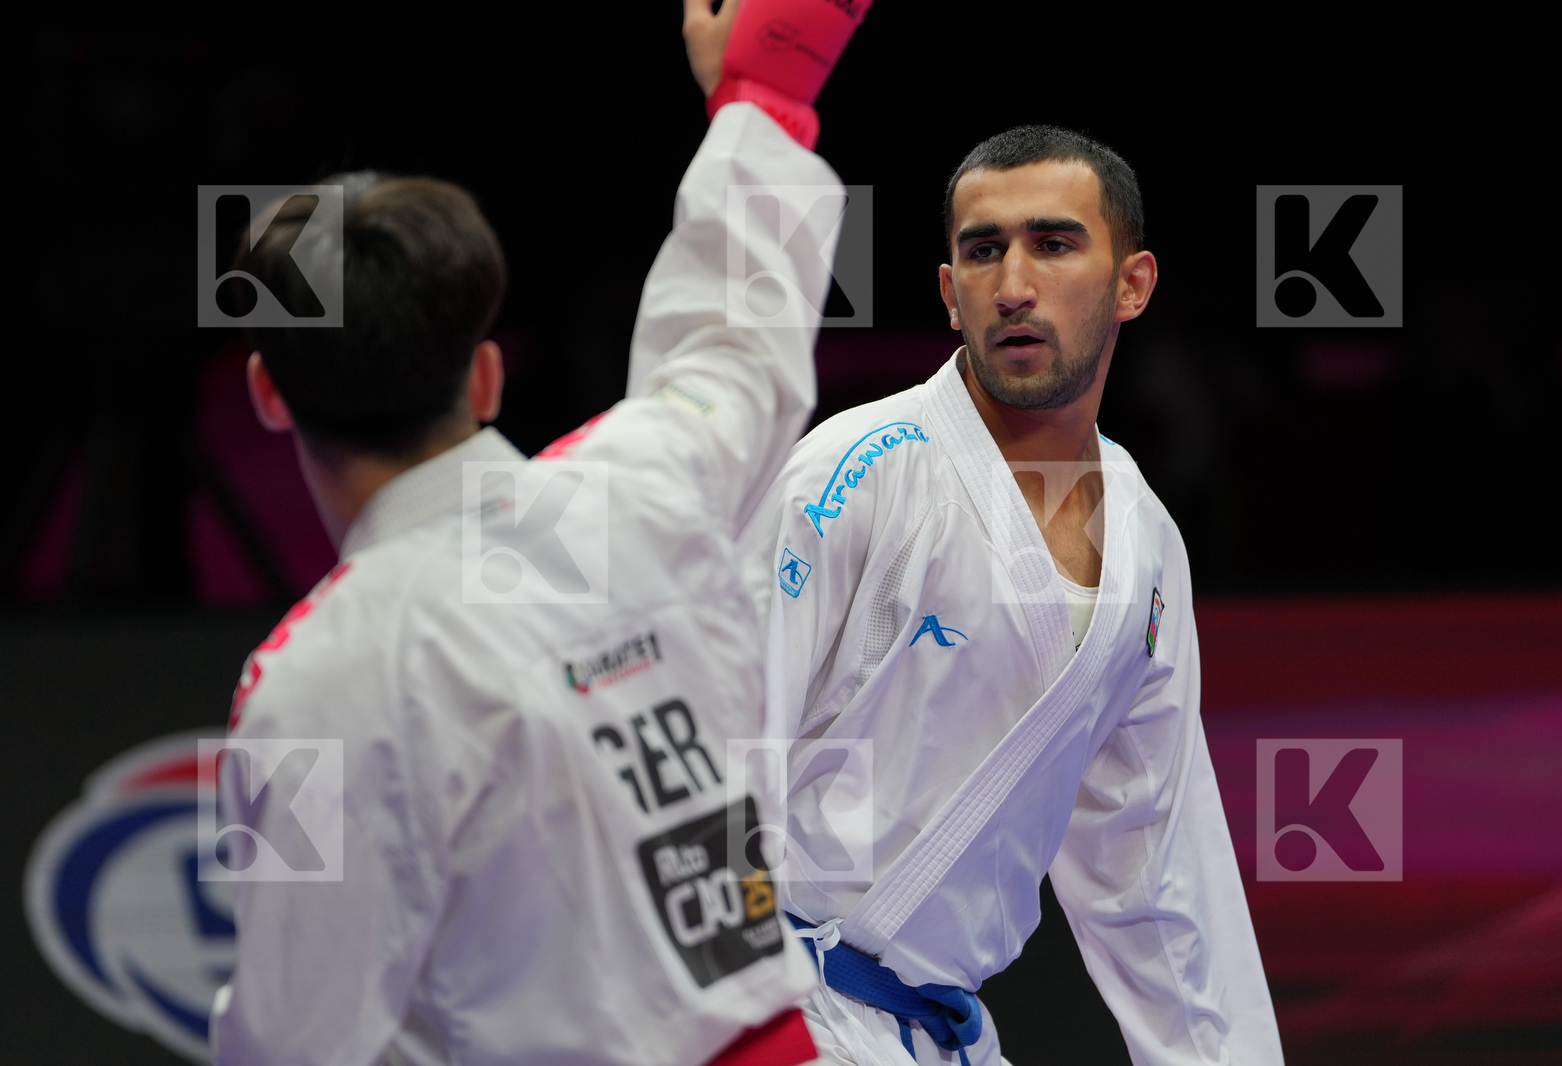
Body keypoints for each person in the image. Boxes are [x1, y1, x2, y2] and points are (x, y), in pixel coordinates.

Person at [210, 2, 871, 1062]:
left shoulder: (308, 681)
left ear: (268, 393)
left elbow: (294, 1034)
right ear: (485, 372)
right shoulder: (642, 488)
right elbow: (737, 345)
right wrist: (761, 102)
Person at [737, 126, 1284, 1065]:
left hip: (940, 1030)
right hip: (786, 1010)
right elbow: (715, 758)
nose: (1014, 283)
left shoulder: (1148, 544)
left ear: (1133, 283)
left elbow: (1157, 863)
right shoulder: (854, 473)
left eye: (1054, 243)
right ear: (950, 293)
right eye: (983, 251)